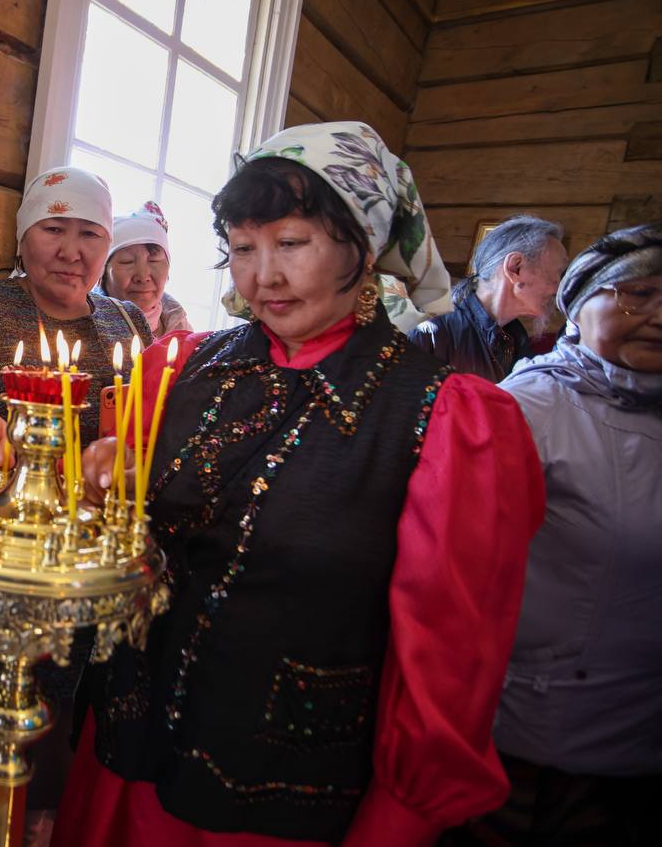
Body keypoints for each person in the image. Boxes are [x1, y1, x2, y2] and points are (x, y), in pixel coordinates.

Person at [53, 121, 546, 845]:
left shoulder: (445, 420)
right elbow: (122, 553)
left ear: (363, 246)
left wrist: (399, 819)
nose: (263, 277)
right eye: (243, 248)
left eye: (291, 243)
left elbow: (447, 670)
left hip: (286, 799)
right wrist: (101, 491)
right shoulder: (177, 369)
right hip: (132, 763)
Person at [0, 166, 151, 847]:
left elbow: (143, 423)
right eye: (54, 228)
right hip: (2, 547)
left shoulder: (123, 319)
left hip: (86, 552)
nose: (71, 250)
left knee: (68, 713)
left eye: (89, 233)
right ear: (24, 236)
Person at [463, 224, 662, 844]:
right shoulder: (528, 408)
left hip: (640, 736)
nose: (660, 314)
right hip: (530, 734)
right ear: (580, 305)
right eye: (639, 294)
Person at [408, 214, 568, 382]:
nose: (558, 289)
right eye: (557, 274)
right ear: (515, 267)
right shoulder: (433, 335)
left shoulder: (515, 341)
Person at [101, 201, 193, 338]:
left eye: (154, 260)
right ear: (103, 273)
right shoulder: (84, 323)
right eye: (127, 261)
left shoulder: (179, 325)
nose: (143, 276)